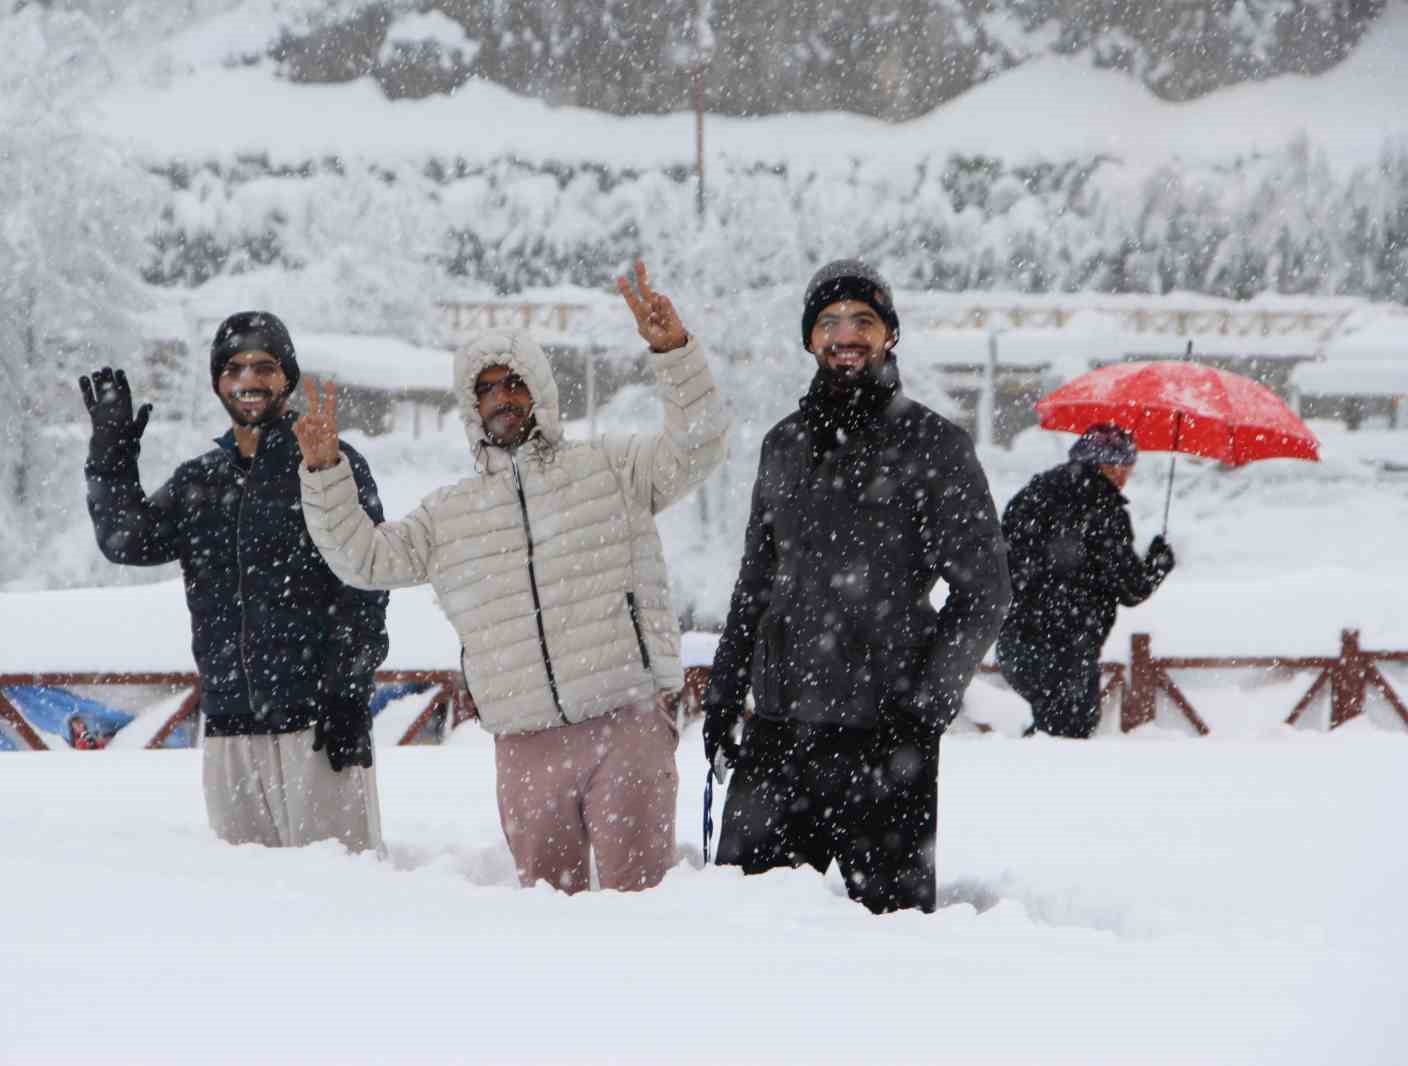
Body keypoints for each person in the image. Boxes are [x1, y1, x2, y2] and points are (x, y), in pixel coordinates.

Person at [296, 261, 728, 894]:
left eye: (515, 382)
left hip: (625, 723)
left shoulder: (610, 468)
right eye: (488, 388)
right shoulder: (451, 514)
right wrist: (326, 471)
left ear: (541, 392)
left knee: (644, 909)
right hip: (525, 743)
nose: (503, 397)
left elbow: (698, 448)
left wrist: (673, 354)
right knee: (545, 921)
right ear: (473, 408)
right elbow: (364, 559)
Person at [701, 258, 1011, 915]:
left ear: (890, 335)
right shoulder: (781, 446)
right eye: (830, 321)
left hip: (885, 742)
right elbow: (755, 583)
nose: (847, 334)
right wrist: (725, 695)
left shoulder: (934, 446)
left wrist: (922, 709)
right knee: (743, 929)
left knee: (890, 945)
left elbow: (986, 592)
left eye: (864, 321)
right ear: (809, 340)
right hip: (779, 736)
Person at [80, 311, 390, 851]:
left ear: (287, 377)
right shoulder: (200, 480)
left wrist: (347, 696)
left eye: (264, 366)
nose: (248, 381)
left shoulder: (327, 463)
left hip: (317, 726)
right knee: (249, 904)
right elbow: (126, 542)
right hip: (228, 726)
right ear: (217, 382)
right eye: (233, 368)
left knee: (344, 895)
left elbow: (366, 583)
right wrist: (111, 458)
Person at [996, 423, 1176, 738]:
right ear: (1110, 466)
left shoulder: (1032, 494)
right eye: (1127, 468)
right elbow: (1131, 588)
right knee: (1069, 735)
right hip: (1068, 647)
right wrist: (1158, 564)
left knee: (1050, 733)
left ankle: (1022, 777)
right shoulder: (1104, 508)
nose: (1127, 477)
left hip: (1015, 639)